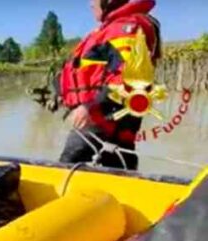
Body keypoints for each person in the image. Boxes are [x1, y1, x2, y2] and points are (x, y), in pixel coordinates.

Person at [56, 0, 161, 170]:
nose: (90, 4)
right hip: (102, 113)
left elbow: (126, 77)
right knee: (119, 164)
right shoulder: (111, 28)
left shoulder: (128, 27)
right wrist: (64, 95)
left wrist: (89, 106)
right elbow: (87, 70)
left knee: (69, 162)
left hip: (105, 115)